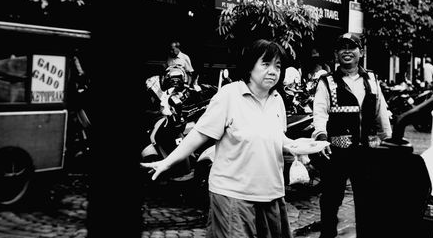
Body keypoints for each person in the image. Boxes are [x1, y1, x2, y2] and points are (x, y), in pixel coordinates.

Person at [142, 39, 329, 238]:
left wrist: (300, 145)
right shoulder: (229, 95)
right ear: (250, 66)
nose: (273, 71)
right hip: (233, 196)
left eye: (278, 66)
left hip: (271, 194)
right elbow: (199, 134)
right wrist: (167, 162)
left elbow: (277, 139)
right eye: (265, 64)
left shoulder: (277, 100)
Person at [311, 32, 392, 238]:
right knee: (330, 200)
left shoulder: (372, 79)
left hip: (367, 151)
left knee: (367, 200)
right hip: (337, 152)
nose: (347, 51)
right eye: (342, 48)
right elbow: (319, 112)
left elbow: (381, 112)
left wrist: (388, 139)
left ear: (361, 52)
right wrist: (321, 136)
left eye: (352, 47)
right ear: (336, 54)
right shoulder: (327, 82)